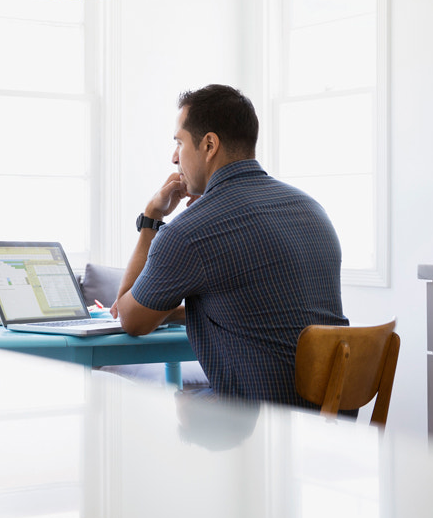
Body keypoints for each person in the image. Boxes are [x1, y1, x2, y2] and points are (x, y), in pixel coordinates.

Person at [110, 84, 348, 408]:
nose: (174, 157)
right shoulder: (312, 209)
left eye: (179, 142)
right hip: (329, 422)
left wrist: (152, 218)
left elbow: (129, 318)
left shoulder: (188, 233)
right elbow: (263, 312)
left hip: (258, 428)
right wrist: (184, 313)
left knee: (147, 409)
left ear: (209, 144)